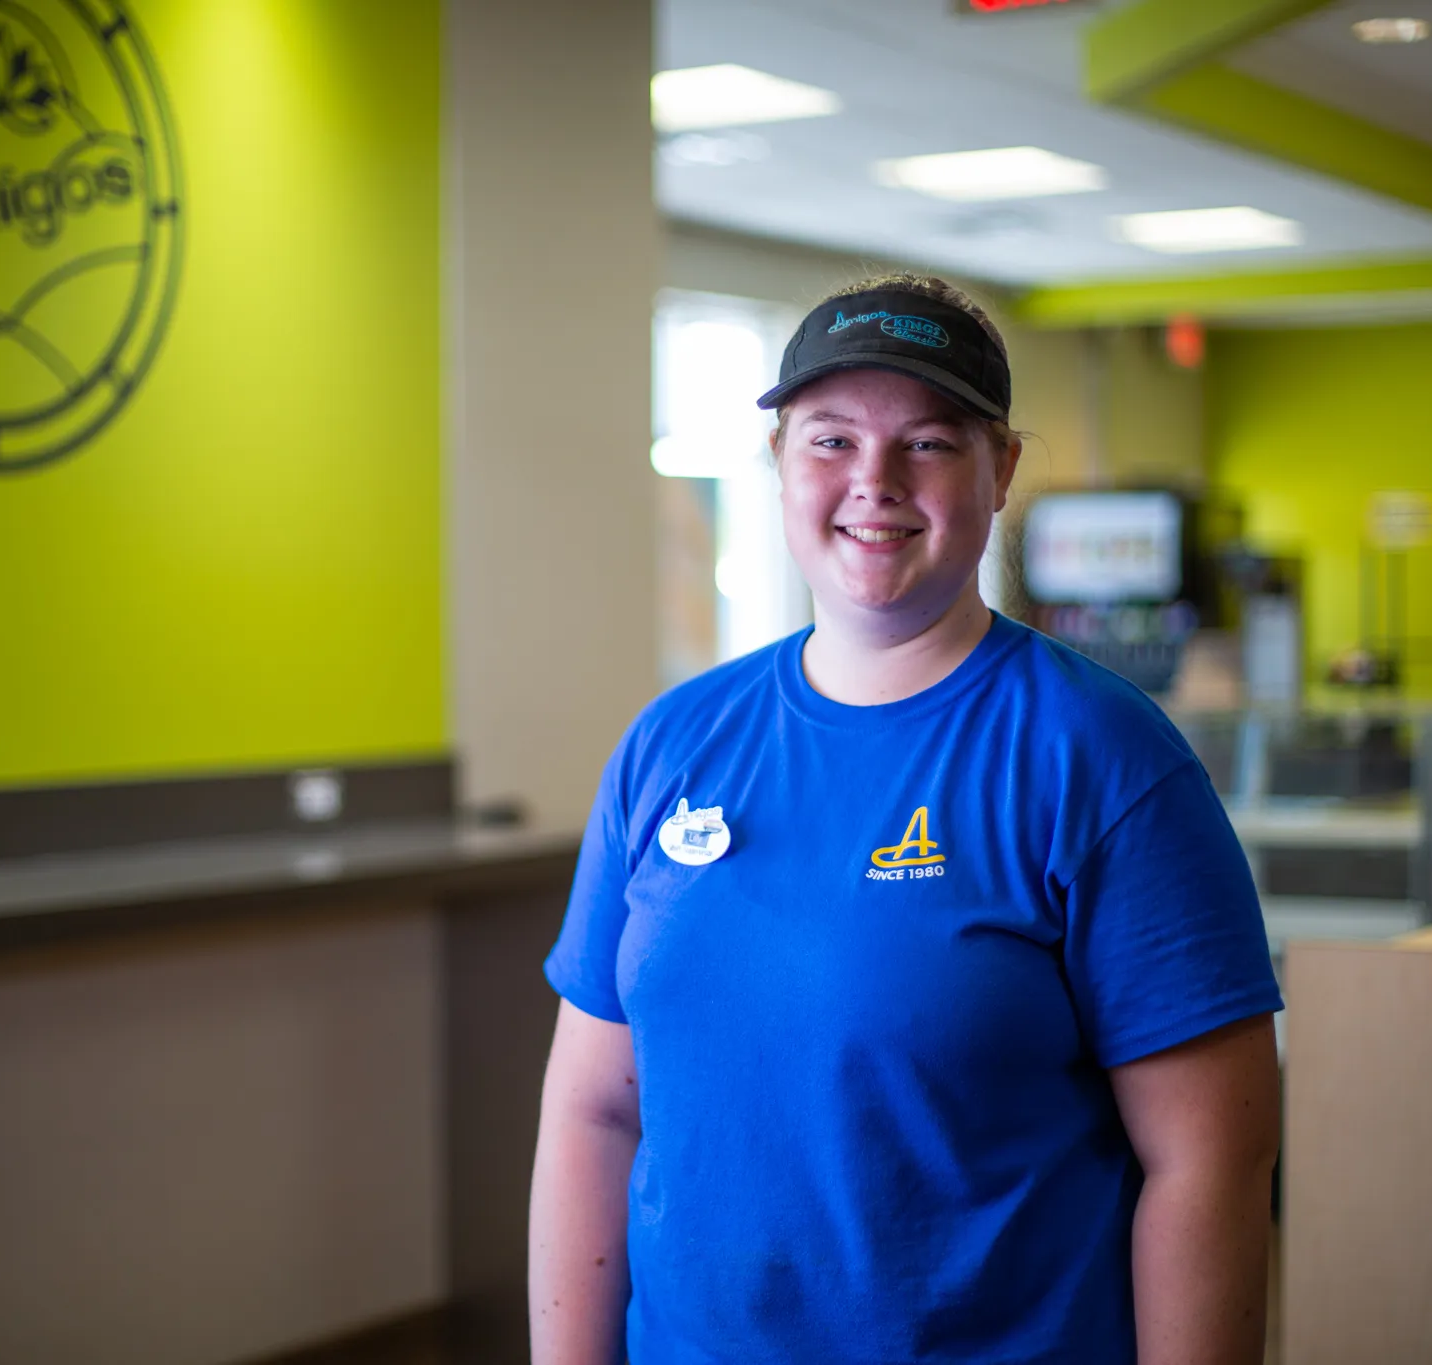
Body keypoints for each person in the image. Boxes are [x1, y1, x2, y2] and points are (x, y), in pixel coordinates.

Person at [529, 275, 1281, 1365]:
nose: (872, 482)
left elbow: (1209, 1164)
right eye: (831, 440)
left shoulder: (1100, 759)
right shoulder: (672, 744)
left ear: (1000, 469)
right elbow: (595, 1112)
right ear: (780, 461)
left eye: (926, 443)